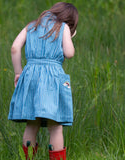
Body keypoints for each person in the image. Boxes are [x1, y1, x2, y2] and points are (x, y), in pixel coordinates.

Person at [8, 2, 78, 160]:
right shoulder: (64, 27)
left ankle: (27, 158)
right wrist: (70, 36)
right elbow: (69, 53)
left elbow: (14, 48)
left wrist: (18, 72)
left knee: (32, 123)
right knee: (55, 126)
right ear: (69, 20)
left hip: (30, 75)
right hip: (52, 79)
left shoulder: (32, 26)